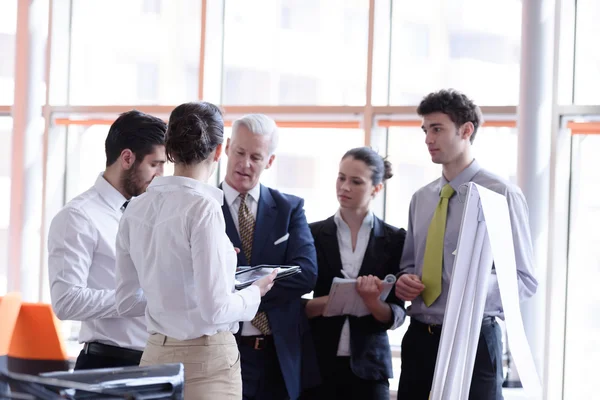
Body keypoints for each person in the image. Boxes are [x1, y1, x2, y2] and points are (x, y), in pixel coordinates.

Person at [114, 102, 276, 399]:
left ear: (169, 147)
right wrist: (255, 291)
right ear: (218, 152)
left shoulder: (135, 208)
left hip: (154, 357)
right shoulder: (203, 208)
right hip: (208, 363)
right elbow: (215, 309)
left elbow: (125, 301)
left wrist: (167, 294)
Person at [394, 89, 538, 399]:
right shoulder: (422, 198)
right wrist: (405, 280)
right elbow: (409, 263)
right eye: (425, 130)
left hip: (473, 339)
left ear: (466, 130)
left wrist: (471, 288)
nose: (428, 139)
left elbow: (524, 280)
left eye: (437, 129)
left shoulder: (502, 195)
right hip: (419, 339)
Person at [47, 110, 167, 370]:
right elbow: (66, 301)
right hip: (106, 365)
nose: (161, 174)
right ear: (127, 158)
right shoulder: (77, 217)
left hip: (153, 364)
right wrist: (140, 299)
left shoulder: (148, 213)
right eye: (155, 164)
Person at [220, 114, 319, 400]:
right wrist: (262, 283)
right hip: (225, 352)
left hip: (279, 355)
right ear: (227, 147)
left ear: (270, 161)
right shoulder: (205, 206)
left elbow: (306, 273)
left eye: (256, 156)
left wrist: (240, 292)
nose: (245, 164)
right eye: (239, 152)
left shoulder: (288, 208)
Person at [302, 147, 406, 400]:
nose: (344, 187)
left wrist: (372, 301)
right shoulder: (311, 234)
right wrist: (329, 303)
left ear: (376, 188)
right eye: (341, 177)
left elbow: (397, 313)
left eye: (356, 181)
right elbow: (291, 303)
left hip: (370, 369)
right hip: (317, 365)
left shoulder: (395, 239)